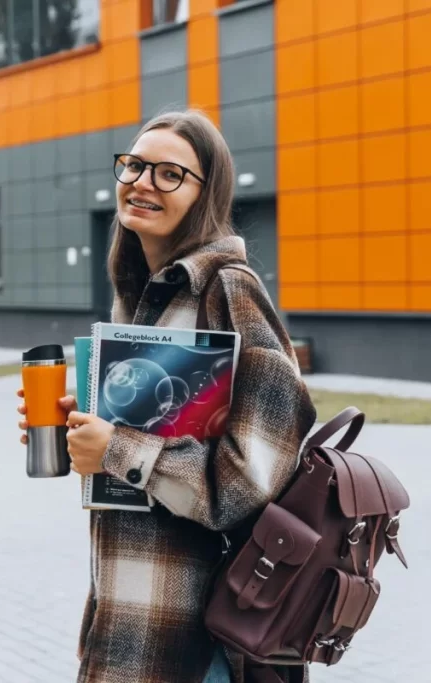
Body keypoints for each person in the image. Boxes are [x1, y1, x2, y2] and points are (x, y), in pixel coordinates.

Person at [17, 109, 316, 683]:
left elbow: (254, 478)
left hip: (199, 643)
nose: (143, 182)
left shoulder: (229, 290)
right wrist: (79, 429)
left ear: (208, 194)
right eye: (134, 165)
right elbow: (147, 449)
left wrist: (117, 449)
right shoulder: (142, 299)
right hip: (131, 624)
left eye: (170, 174)